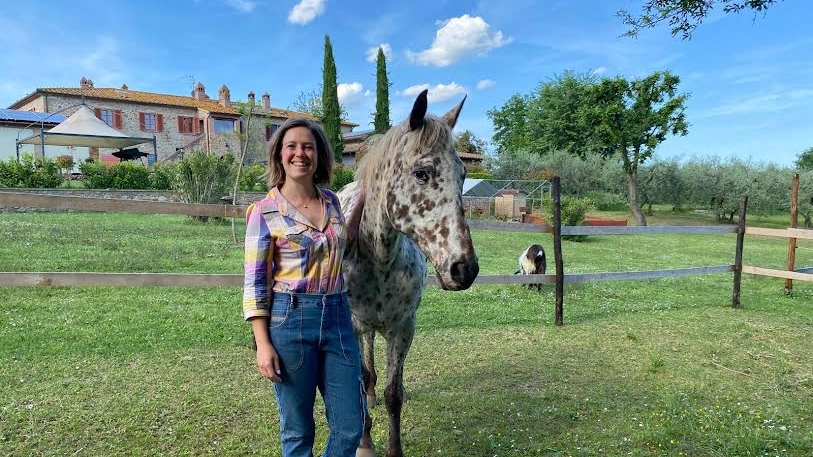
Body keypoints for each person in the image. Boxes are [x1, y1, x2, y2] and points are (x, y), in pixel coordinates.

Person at [243, 117, 365, 457]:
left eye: (308, 146)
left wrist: (369, 193)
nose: (300, 153)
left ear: (319, 155)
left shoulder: (332, 203)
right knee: (297, 430)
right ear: (280, 155)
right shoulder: (264, 212)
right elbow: (254, 283)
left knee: (351, 425)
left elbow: (344, 246)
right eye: (292, 146)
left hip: (340, 318)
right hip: (290, 318)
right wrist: (262, 344)